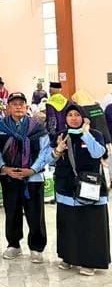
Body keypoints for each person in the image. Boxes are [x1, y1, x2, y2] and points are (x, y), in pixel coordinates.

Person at [47, 104, 109, 276]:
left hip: (91, 189)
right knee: (68, 225)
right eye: (70, 115)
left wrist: (86, 134)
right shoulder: (60, 135)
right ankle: (69, 257)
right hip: (66, 189)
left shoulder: (95, 134)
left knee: (91, 226)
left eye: (77, 115)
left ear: (83, 117)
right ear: (65, 118)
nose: (73, 118)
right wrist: (58, 150)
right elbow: (49, 161)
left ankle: (90, 262)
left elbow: (98, 154)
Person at [0, 93, 50, 263]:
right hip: (10, 176)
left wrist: (32, 170)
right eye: (14, 104)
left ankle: (36, 248)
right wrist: (4, 168)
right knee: (12, 212)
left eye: (21, 103)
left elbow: (45, 150)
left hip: (33, 177)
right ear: (8, 107)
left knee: (35, 214)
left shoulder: (37, 127)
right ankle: (13, 245)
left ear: (26, 107)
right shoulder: (0, 127)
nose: (18, 106)